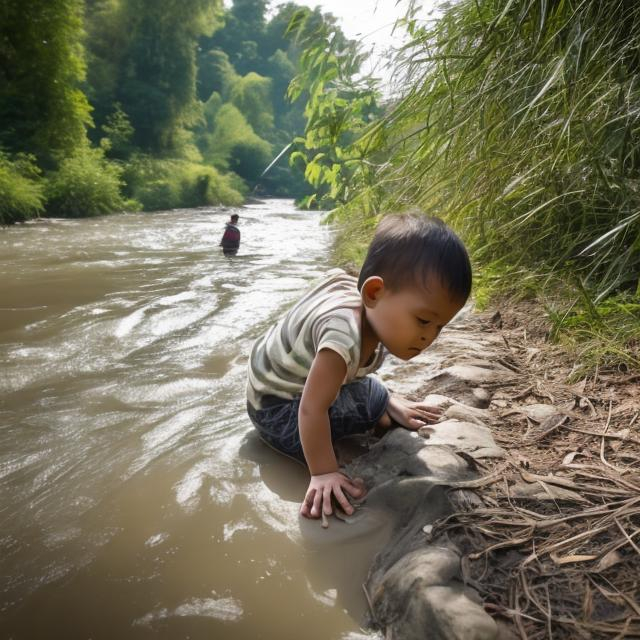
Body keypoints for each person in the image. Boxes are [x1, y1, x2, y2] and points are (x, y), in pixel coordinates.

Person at [246, 214, 472, 520]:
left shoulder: (364, 307)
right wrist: (324, 473)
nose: (428, 336)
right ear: (373, 293)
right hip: (277, 412)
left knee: (366, 394)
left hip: (282, 385)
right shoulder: (342, 335)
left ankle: (383, 400)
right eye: (422, 321)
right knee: (365, 405)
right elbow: (311, 410)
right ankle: (382, 404)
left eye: (439, 327)